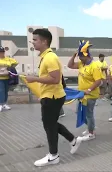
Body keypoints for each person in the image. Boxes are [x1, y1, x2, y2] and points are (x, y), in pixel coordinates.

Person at [26, 29, 81, 167]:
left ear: (44, 41)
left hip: (53, 97)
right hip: (50, 96)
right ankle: (73, 140)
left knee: (49, 126)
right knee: (50, 124)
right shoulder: (45, 56)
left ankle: (54, 155)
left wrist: (34, 79)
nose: (32, 42)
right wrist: (42, 94)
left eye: (35, 40)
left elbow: (55, 79)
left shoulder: (50, 57)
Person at [67, 40, 102, 141]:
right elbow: (70, 65)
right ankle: (90, 127)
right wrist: (74, 56)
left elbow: (98, 81)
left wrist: (89, 89)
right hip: (81, 94)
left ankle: (91, 133)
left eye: (81, 57)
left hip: (91, 94)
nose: (80, 59)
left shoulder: (94, 66)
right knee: (79, 112)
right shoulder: (82, 64)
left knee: (88, 114)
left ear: (86, 56)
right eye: (79, 57)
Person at [0, 46, 18, 112]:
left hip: (7, 77)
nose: (1, 53)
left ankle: (4, 103)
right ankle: (0, 104)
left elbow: (15, 62)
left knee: (5, 91)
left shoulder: (8, 59)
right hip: (0, 78)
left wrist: (10, 67)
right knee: (1, 90)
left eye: (2, 52)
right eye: (0, 52)